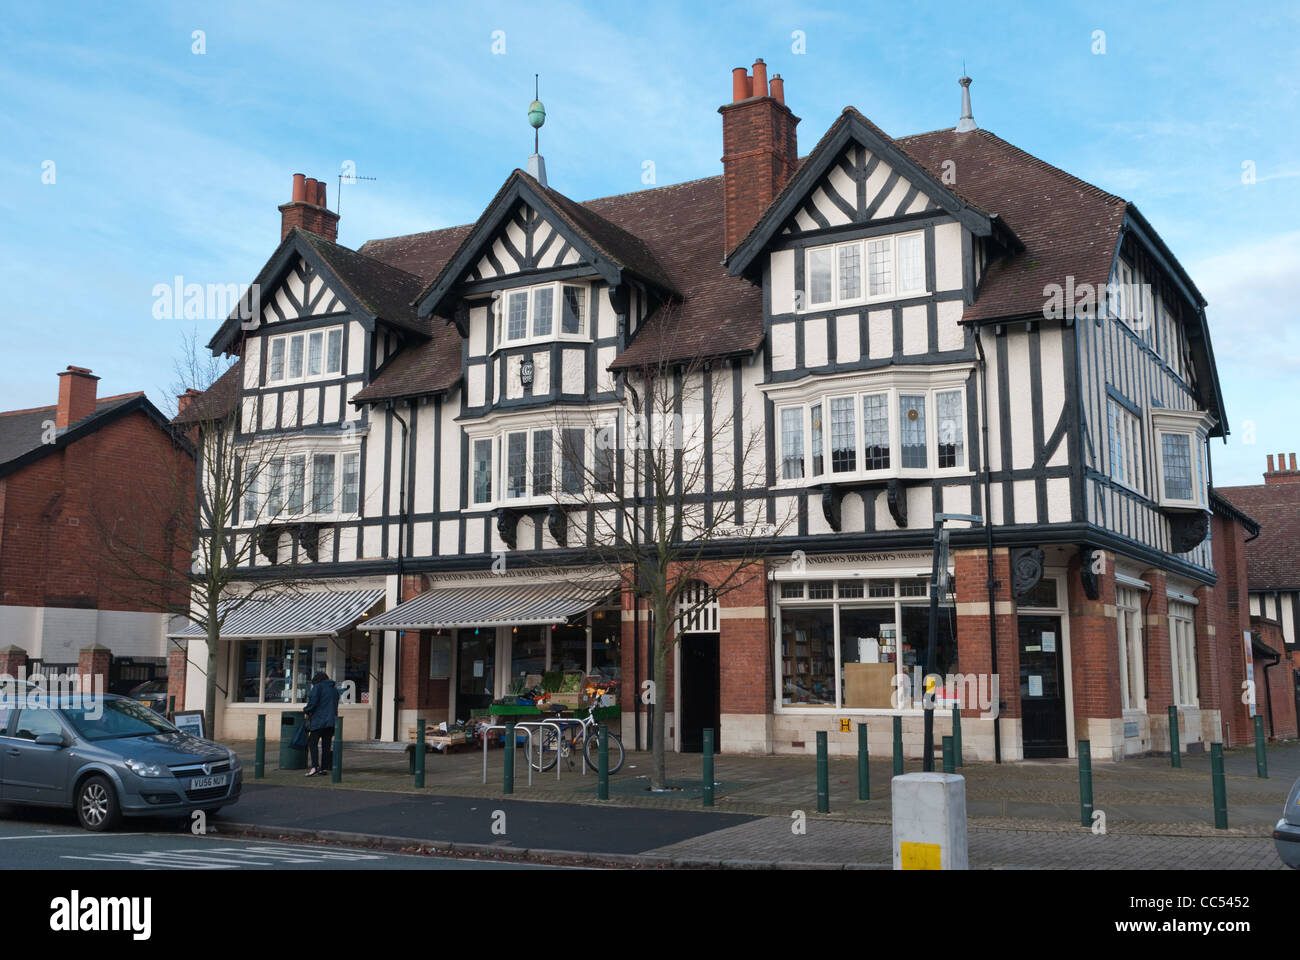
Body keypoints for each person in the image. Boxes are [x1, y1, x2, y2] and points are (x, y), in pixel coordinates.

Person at [303, 671, 339, 777]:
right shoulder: (334, 690)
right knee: (326, 745)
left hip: (319, 720)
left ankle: (315, 767)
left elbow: (312, 703)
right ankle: (323, 768)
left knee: (312, 742)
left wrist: (306, 710)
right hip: (331, 721)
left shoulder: (318, 687)